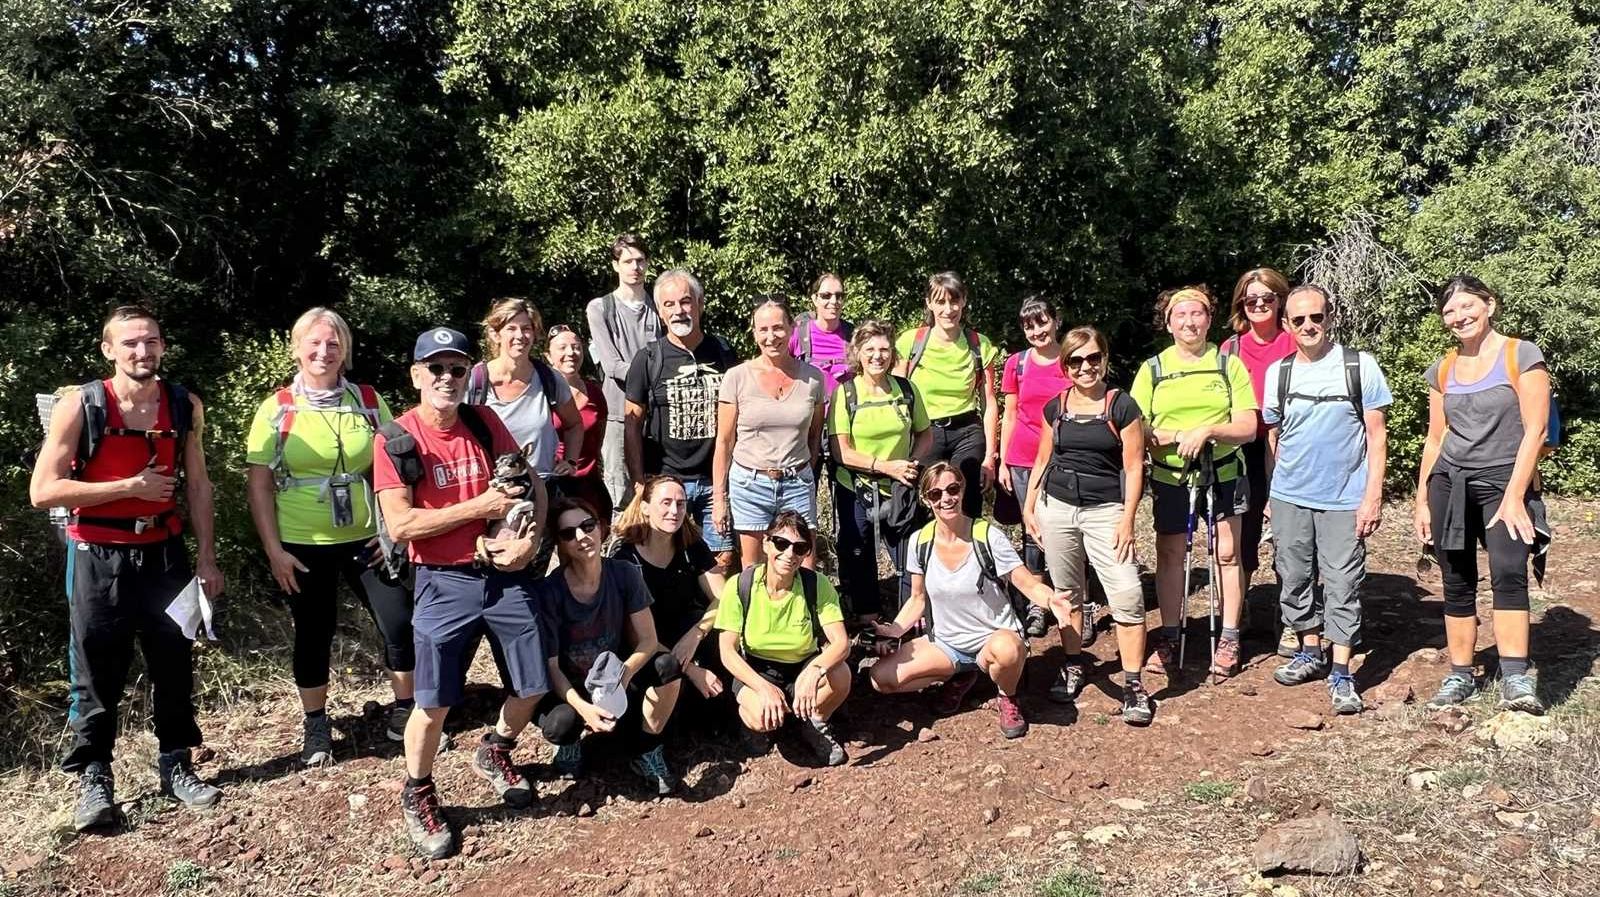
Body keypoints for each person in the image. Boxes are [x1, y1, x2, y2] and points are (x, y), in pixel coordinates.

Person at [30, 305, 224, 831]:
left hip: (165, 551)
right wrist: (127, 489)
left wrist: (207, 558)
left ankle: (176, 763)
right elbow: (42, 489)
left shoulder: (183, 404)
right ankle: (95, 777)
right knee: (96, 669)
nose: (143, 352)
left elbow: (199, 484)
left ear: (163, 345)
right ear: (108, 350)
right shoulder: (82, 404)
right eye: (132, 343)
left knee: (174, 659)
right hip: (97, 554)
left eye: (152, 342)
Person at [373, 327, 548, 859]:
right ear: (416, 376)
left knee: (533, 682)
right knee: (434, 701)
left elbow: (530, 483)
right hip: (443, 581)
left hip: (503, 575)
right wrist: (479, 511)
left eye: (456, 369)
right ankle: (419, 790)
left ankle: (495, 750)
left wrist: (531, 540)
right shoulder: (396, 440)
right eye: (436, 369)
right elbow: (400, 526)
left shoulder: (483, 420)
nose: (446, 379)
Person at [244, 307, 414, 767]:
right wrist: (274, 550)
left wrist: (395, 529)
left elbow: (398, 463)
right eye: (314, 343)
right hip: (302, 540)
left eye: (333, 344)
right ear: (297, 348)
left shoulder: (368, 400)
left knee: (399, 620)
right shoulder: (277, 408)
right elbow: (258, 483)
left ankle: (406, 711)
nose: (323, 352)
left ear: (346, 352)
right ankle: (316, 723)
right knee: (314, 632)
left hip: (366, 536)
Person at [1415, 275, 1551, 715]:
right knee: (1456, 580)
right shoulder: (1443, 369)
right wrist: (1420, 500)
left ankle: (1515, 677)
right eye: (1449, 311)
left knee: (1508, 572)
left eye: (1467, 306)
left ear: (1489, 304)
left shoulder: (1520, 354)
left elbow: (1537, 429)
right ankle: (1459, 674)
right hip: (1450, 483)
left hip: (1504, 480)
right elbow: (1435, 439)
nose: (1459, 316)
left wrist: (1515, 496)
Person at [1262, 285, 1392, 715]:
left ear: (1330, 317)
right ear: (1287, 325)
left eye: (1315, 317)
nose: (1308, 326)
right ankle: (1309, 650)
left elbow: (1376, 435)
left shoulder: (1360, 366)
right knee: (1294, 577)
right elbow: (1274, 436)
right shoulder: (1278, 374)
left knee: (1341, 582)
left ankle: (1342, 672)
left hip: (1344, 499)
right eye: (1298, 320)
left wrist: (1372, 495)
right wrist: (1273, 492)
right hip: (1289, 496)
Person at [869, 463, 1069, 738]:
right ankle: (961, 675)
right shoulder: (920, 541)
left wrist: (1051, 600)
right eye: (936, 494)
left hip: (992, 639)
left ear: (962, 491)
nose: (946, 499)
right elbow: (917, 598)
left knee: (1007, 651)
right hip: (948, 643)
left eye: (952, 489)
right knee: (882, 679)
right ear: (926, 500)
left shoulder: (987, 537)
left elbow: (1024, 582)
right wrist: (894, 630)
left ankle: (1007, 695)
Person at [1022, 326, 1152, 724]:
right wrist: (1029, 507)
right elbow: (1042, 458)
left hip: (1106, 510)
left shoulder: (1122, 406)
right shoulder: (1056, 407)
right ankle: (1074, 662)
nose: (1085, 367)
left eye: (1093, 358)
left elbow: (1133, 467)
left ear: (1104, 359)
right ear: (1065, 365)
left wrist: (1128, 520)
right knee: (1066, 593)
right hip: (1057, 507)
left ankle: (1133, 684)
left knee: (1127, 593)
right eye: (1076, 360)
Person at [1131, 286, 1257, 679]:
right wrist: (1172, 436)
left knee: (1227, 553)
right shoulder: (1153, 369)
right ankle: (1170, 636)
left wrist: (1207, 430)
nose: (1189, 321)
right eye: (1180, 315)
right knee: (1169, 556)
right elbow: (1136, 428)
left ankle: (1230, 636)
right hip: (1173, 478)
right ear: (1168, 323)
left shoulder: (1228, 365)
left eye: (1197, 313)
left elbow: (1249, 426)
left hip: (1222, 473)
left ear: (1209, 318)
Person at [533, 498, 685, 795]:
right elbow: (551, 667)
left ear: (601, 529)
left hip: (612, 675)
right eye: (568, 533)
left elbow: (648, 640)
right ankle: (572, 743)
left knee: (667, 665)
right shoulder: (550, 591)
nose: (581, 536)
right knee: (559, 725)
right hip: (572, 684)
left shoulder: (624, 573)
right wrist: (585, 709)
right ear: (560, 545)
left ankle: (647, 748)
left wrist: (623, 677)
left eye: (587, 526)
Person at [624, 268, 738, 573]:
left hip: (716, 481)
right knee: (668, 562)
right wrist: (638, 482)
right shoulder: (648, 359)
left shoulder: (724, 352)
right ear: (660, 312)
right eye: (669, 305)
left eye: (686, 302)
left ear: (700, 304)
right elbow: (632, 424)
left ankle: (713, 620)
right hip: (666, 481)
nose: (679, 311)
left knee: (722, 561)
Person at [716, 511, 852, 765]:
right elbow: (727, 651)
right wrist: (763, 687)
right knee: (759, 716)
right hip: (759, 668)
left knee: (840, 673)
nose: (789, 554)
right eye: (781, 543)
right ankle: (763, 724)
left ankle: (813, 722)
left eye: (799, 548)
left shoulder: (817, 585)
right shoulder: (740, 585)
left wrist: (814, 671)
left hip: (802, 665)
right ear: (766, 543)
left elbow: (841, 643)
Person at [827, 321, 931, 623]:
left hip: (900, 488)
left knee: (909, 557)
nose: (877, 356)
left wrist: (911, 462)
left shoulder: (907, 390)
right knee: (859, 557)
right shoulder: (846, 394)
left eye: (884, 349)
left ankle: (909, 621)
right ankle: (868, 622)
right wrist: (886, 466)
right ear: (857, 353)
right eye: (870, 349)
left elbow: (926, 435)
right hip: (856, 487)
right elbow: (841, 451)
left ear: (893, 352)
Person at [714, 296, 827, 569]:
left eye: (777, 328)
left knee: (803, 567)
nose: (770, 336)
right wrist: (720, 498)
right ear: (754, 333)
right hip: (750, 484)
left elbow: (814, 436)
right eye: (762, 329)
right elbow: (725, 442)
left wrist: (803, 473)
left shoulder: (813, 378)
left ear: (791, 329)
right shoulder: (737, 377)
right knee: (754, 570)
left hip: (797, 482)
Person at [467, 298, 579, 572]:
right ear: (495, 334)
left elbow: (574, 424)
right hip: (488, 495)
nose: (520, 336)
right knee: (487, 570)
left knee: (531, 573)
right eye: (511, 329)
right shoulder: (474, 381)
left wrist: (571, 461)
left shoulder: (549, 379)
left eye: (527, 328)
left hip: (539, 494)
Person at [1224, 268, 1298, 655]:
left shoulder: (1294, 342)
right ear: (1241, 304)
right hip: (1242, 450)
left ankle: (1288, 616)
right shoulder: (1230, 349)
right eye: (1250, 300)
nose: (1259, 306)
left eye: (1267, 299)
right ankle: (1242, 607)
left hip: (1291, 444)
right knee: (1243, 532)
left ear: (1279, 301)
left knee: (1289, 533)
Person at [611, 475, 729, 701]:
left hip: (684, 631)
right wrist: (692, 670)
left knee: (720, 628)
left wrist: (696, 634)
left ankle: (722, 708)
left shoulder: (690, 544)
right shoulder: (625, 557)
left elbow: (723, 597)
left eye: (680, 503)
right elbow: (630, 631)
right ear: (645, 508)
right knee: (667, 666)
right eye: (666, 503)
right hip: (644, 642)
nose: (674, 511)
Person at [895, 272, 1001, 520]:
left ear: (964, 301)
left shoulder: (979, 344)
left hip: (966, 431)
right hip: (925, 432)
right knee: (926, 502)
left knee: (965, 500)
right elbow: (896, 398)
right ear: (929, 303)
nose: (948, 309)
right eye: (940, 302)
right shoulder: (911, 342)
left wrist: (990, 458)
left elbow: (989, 402)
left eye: (954, 301)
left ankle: (968, 555)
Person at [998, 296, 1070, 640]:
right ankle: (1037, 604)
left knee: (1070, 527)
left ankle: (1074, 598)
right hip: (1024, 459)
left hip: (1069, 457)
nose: (1037, 331)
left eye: (1042, 322)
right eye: (1029, 325)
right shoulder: (1017, 363)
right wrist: (1001, 461)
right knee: (1033, 531)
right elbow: (1009, 414)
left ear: (1055, 321)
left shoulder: (1074, 357)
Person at [586, 234, 662, 513]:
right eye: (628, 261)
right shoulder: (600, 308)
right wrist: (656, 374)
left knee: (660, 491)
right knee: (621, 496)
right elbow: (612, 365)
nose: (635, 267)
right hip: (620, 414)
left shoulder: (660, 306)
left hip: (658, 415)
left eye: (640, 260)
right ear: (616, 265)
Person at [548, 324, 613, 530]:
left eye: (576, 347)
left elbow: (598, 437)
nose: (571, 353)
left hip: (588, 483)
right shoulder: (541, 395)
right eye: (562, 347)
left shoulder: (594, 393)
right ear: (548, 356)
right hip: (554, 483)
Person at [791, 272, 854, 407]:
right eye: (826, 296)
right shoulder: (797, 334)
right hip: (808, 420)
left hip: (844, 420)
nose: (834, 301)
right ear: (814, 299)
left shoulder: (853, 337)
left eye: (839, 296)